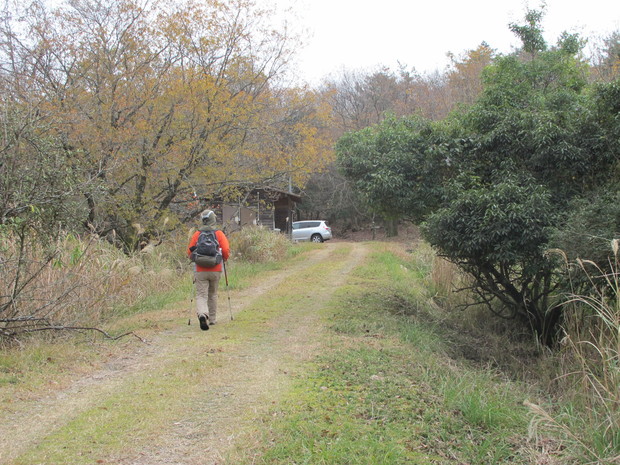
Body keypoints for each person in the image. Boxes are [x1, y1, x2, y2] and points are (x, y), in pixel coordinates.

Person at [187, 209, 230, 330]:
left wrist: (194, 258)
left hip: (200, 269)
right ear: (213, 220)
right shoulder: (219, 234)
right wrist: (224, 259)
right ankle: (212, 319)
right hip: (215, 268)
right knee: (213, 294)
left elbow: (189, 251)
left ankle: (202, 314)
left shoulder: (197, 234)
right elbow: (226, 250)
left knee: (201, 294)